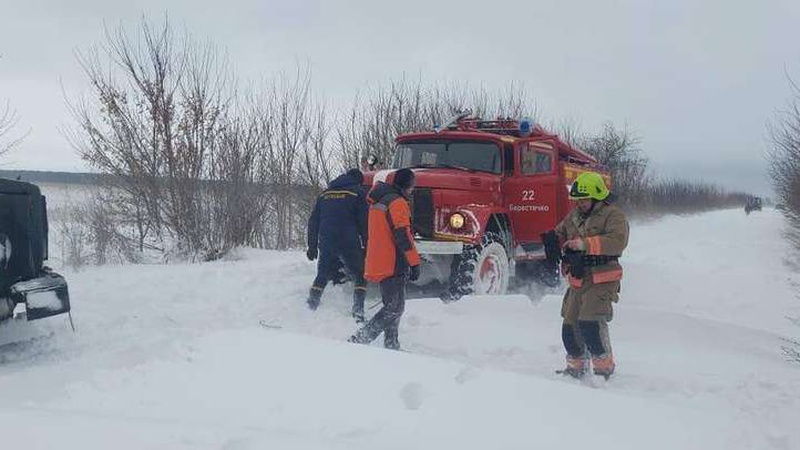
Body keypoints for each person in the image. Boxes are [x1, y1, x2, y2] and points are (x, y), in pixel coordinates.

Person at [554, 171, 629, 379]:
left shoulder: (614, 216)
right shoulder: (574, 216)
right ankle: (575, 367)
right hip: (578, 277)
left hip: (603, 277)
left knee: (590, 322)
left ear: (597, 196)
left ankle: (604, 369)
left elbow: (617, 241)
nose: (579, 203)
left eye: (584, 199)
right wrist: (552, 240)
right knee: (569, 325)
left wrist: (584, 244)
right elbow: (560, 231)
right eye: (577, 200)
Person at [348, 168, 421, 350]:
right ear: (407, 185)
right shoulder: (397, 203)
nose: (413, 190)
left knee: (395, 306)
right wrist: (414, 262)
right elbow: (403, 235)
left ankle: (391, 344)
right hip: (392, 262)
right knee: (394, 307)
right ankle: (360, 339)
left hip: (380, 259)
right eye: (412, 186)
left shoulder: (381, 200)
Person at [306, 168, 368, 322]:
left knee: (322, 274)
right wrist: (368, 245)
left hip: (327, 240)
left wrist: (312, 246)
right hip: (348, 240)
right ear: (358, 181)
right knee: (360, 275)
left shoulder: (325, 194)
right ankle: (358, 312)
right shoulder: (358, 193)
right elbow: (365, 222)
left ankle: (310, 307)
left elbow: (313, 221)